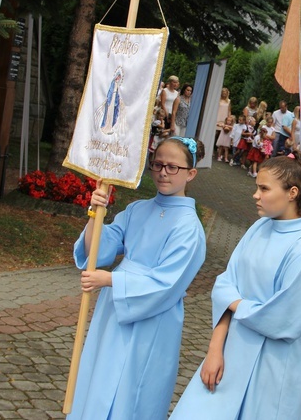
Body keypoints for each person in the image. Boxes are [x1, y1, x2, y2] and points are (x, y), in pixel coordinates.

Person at [171, 153, 301, 420]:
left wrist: (236, 302)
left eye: (264, 188)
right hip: (231, 349)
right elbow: (225, 282)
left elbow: (285, 318)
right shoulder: (259, 226)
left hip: (272, 364)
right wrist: (214, 349)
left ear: (292, 192)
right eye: (257, 187)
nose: (255, 195)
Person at [68, 137, 206, 419]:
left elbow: (167, 284)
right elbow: (100, 249)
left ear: (191, 174)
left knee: (132, 386)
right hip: (115, 306)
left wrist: (111, 281)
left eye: (173, 167)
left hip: (151, 316)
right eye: (157, 164)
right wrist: (96, 212)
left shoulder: (190, 228)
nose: (163, 172)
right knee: (101, 373)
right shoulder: (137, 209)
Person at [215, 87, 232, 158]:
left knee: (221, 134)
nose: (224, 94)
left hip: (224, 118)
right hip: (217, 117)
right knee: (215, 133)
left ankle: (219, 151)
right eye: (223, 92)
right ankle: (212, 149)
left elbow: (229, 110)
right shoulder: (218, 100)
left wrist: (229, 118)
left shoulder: (228, 101)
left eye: (225, 93)